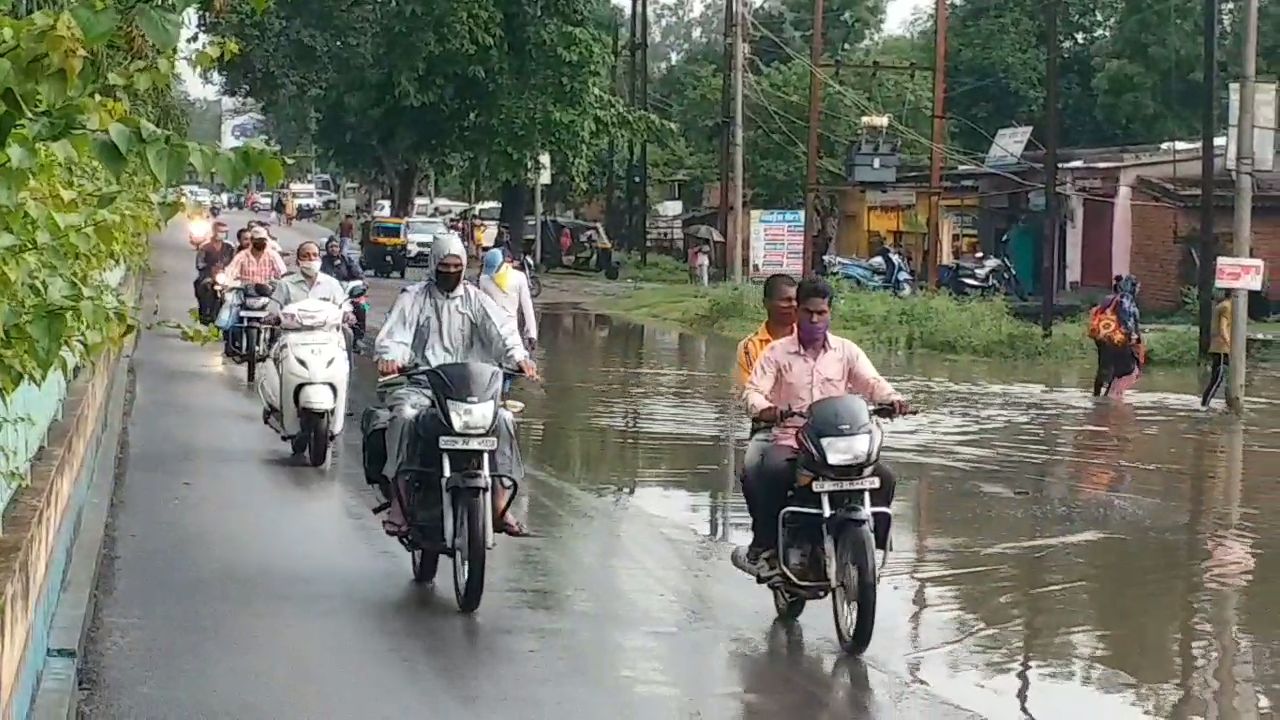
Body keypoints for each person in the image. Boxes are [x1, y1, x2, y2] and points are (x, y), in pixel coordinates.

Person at [734, 277, 909, 579]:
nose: (814, 319)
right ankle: (768, 546)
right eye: (808, 312)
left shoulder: (846, 351)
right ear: (798, 312)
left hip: (839, 441)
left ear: (830, 313)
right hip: (793, 438)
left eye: (821, 313)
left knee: (885, 477)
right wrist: (765, 408)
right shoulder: (775, 352)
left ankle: (870, 543)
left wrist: (893, 400)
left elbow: (871, 382)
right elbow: (752, 391)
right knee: (771, 471)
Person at [373, 234, 539, 537]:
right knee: (404, 418)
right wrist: (391, 357)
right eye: (445, 265)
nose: (450, 271)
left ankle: (501, 506)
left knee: (504, 419)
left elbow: (501, 331)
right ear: (434, 264)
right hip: (422, 385)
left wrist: (519, 358)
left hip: (468, 390)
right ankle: (400, 501)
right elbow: (395, 334)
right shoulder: (414, 297)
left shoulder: (476, 299)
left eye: (457, 265)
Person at [1090, 274, 1143, 399]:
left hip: (1101, 337)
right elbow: (1129, 322)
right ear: (1133, 287)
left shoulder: (1107, 299)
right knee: (1126, 371)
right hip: (1118, 339)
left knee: (1104, 367)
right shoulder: (1127, 300)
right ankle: (1111, 398)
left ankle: (1097, 398)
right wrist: (1135, 338)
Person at [478, 248, 538, 353]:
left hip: (510, 332)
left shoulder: (519, 278)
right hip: (490, 332)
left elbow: (527, 307)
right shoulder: (484, 279)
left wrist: (531, 334)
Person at [272, 241, 348, 308]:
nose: (311, 258)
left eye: (315, 255)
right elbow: (273, 310)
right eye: (305, 256)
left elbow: (343, 308)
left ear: (320, 259)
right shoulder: (285, 284)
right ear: (298, 261)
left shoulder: (332, 283)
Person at [194, 222, 236, 324]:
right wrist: (210, 268)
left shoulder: (230, 247)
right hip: (208, 276)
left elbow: (235, 262)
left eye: (225, 232)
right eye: (220, 231)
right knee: (205, 287)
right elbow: (199, 264)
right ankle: (205, 313)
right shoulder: (205, 247)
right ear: (214, 232)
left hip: (225, 277)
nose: (223, 234)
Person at [1201, 290, 1232, 408]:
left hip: (1219, 347)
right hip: (1222, 348)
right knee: (1217, 379)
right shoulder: (1227, 307)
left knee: (1225, 378)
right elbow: (1223, 328)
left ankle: (1227, 404)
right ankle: (1205, 405)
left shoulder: (1223, 305)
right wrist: (1230, 345)